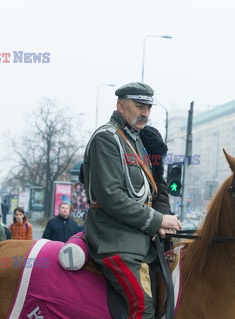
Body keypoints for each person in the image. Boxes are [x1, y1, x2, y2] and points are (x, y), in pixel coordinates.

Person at [82, 82, 182, 318]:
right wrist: (157, 220)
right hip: (114, 239)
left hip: (137, 236)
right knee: (143, 305)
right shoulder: (106, 139)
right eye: (139, 106)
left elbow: (153, 189)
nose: (145, 113)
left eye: (148, 107)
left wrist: (164, 218)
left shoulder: (136, 140)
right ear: (120, 105)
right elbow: (110, 196)